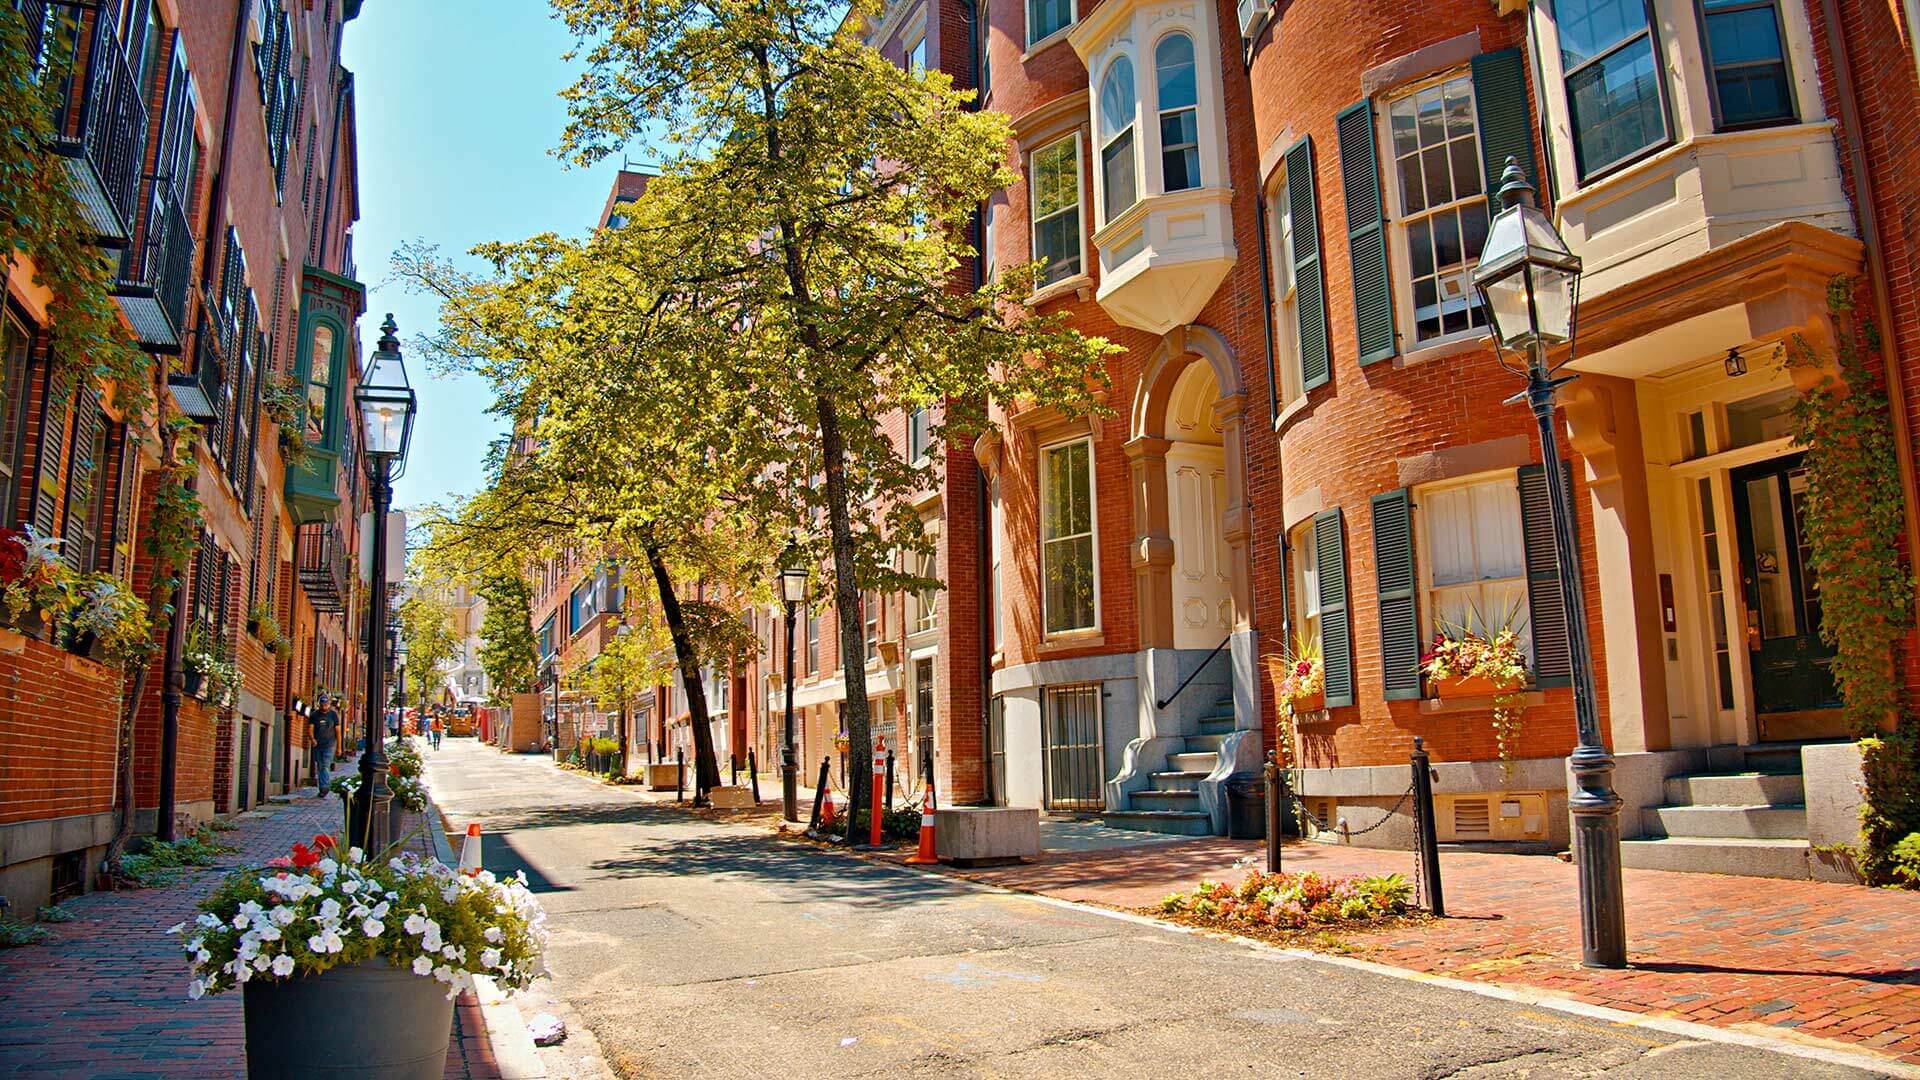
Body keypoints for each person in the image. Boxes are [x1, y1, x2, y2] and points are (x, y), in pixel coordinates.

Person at [310, 695, 340, 792]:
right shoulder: (314, 715)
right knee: (320, 765)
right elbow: (310, 729)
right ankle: (322, 786)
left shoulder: (333, 715)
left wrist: (339, 747)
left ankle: (325, 787)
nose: (324, 707)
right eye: (322, 705)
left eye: (326, 705)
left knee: (325, 765)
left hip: (329, 744)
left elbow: (338, 732)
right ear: (319, 705)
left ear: (329, 704)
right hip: (318, 745)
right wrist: (312, 739)